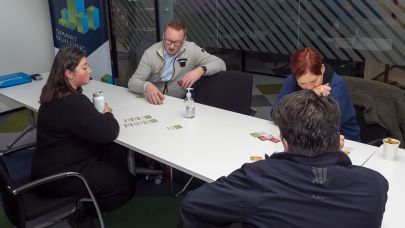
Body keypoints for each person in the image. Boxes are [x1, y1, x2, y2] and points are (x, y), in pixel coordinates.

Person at [180, 90, 388, 228]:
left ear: (285, 142)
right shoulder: (376, 183)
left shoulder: (260, 178)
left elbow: (193, 204)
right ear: (337, 137)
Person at [32, 47, 135, 227]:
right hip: (62, 177)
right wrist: (108, 114)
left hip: (46, 167)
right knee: (126, 186)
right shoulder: (73, 102)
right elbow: (109, 132)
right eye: (85, 67)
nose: (90, 70)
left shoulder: (52, 93)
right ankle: (85, 214)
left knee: (115, 150)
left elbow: (80, 123)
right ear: (69, 73)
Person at [128, 19, 226, 105]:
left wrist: (200, 70)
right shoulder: (150, 54)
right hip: (153, 102)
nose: (171, 46)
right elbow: (132, 82)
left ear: (184, 40)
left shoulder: (191, 49)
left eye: (177, 42)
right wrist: (146, 86)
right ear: (163, 36)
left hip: (179, 103)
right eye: (168, 41)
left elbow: (220, 64)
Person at [271, 47, 360, 141]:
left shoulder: (337, 85)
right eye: (302, 83)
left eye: (313, 81)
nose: (309, 87)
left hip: (344, 140)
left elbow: (319, 125)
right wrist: (311, 93)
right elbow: (275, 113)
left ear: (322, 69)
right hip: (303, 140)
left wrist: (291, 108)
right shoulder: (292, 80)